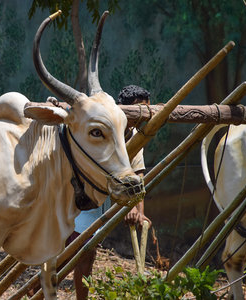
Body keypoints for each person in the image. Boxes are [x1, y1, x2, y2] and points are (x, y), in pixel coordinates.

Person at [68, 84, 152, 300]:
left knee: (87, 254)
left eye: (145, 110)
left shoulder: (136, 136)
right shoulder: (103, 126)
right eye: (137, 110)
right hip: (79, 196)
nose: (141, 116)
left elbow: (137, 175)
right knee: (66, 255)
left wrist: (137, 209)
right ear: (122, 109)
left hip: (99, 204)